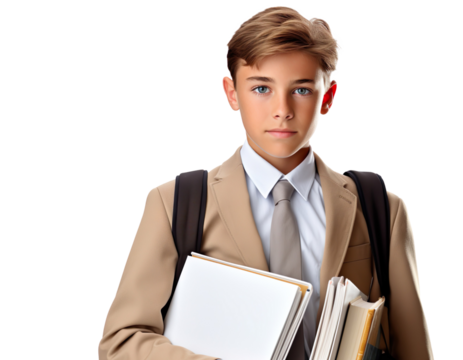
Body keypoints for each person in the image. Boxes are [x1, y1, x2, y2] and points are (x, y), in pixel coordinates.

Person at [97, 5, 434, 360]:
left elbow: (413, 350)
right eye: (261, 88)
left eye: (301, 90)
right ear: (231, 93)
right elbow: (121, 341)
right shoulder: (175, 203)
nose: (282, 109)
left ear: (329, 98)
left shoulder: (381, 209)